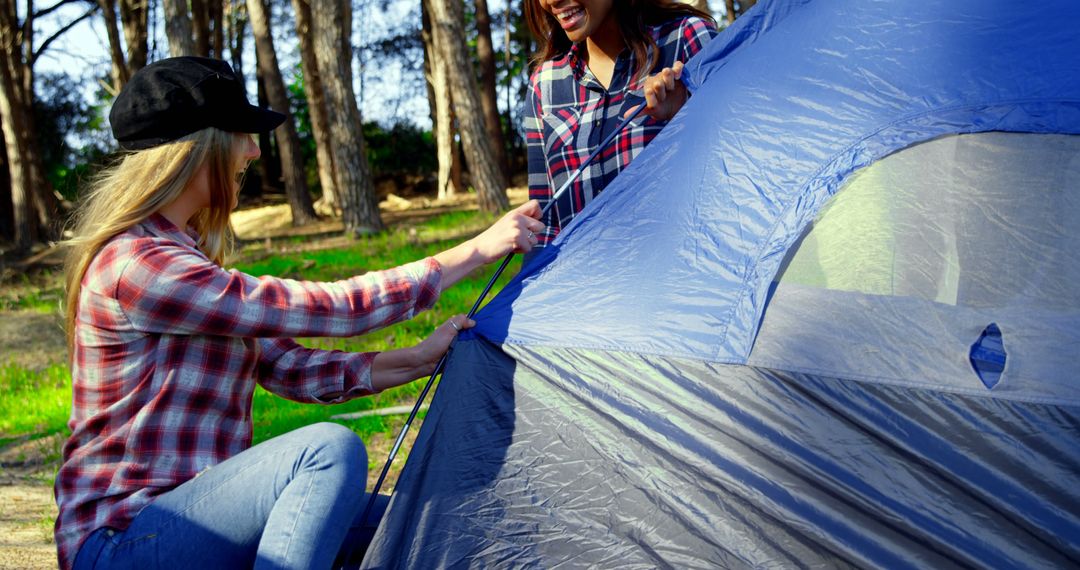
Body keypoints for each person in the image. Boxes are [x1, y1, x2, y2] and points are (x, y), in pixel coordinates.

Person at [54, 56, 545, 570]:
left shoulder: (184, 256)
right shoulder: (138, 264)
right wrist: (477, 249)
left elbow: (288, 367)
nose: (253, 149)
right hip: (122, 541)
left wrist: (418, 358)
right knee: (328, 451)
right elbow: (331, 309)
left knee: (416, 530)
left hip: (194, 524)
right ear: (197, 149)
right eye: (241, 134)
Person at [523, 0, 717, 253]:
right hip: (586, 288)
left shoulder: (686, 39)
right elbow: (544, 230)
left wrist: (685, 110)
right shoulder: (544, 84)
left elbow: (741, 172)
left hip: (686, 278)